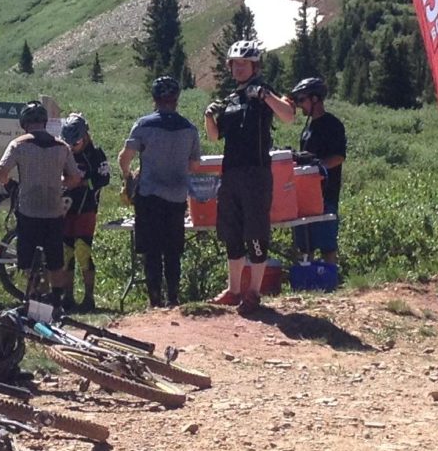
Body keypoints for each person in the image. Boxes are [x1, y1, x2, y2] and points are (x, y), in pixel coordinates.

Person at [206, 39, 296, 314]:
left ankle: (254, 292)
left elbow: (289, 116)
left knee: (256, 230)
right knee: (231, 231)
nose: (239, 68)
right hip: (231, 172)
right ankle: (233, 290)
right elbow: (213, 137)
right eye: (235, 63)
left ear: (254, 66)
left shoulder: (264, 92)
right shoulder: (230, 100)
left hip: (256, 173)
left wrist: (265, 96)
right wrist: (209, 117)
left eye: (244, 63)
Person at [120, 76, 201, 306]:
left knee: (152, 251)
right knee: (173, 250)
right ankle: (174, 298)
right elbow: (195, 165)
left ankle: (155, 300)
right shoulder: (189, 128)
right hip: (176, 197)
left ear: (154, 99)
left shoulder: (144, 125)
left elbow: (125, 157)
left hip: (149, 196)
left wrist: (128, 175)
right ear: (176, 99)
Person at [0, 100, 83, 302]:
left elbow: (1, 172)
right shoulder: (61, 146)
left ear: (24, 123)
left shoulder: (18, 144)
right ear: (44, 122)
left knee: (27, 260)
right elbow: (75, 178)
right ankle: (57, 300)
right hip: (53, 210)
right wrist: (59, 183)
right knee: (55, 260)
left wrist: (11, 186)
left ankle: (33, 297)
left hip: (28, 210)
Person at [289, 76, 347, 263]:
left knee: (327, 243)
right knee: (304, 244)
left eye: (302, 100)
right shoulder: (308, 128)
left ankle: (329, 279)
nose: (300, 105)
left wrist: (318, 166)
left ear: (315, 99)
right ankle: (308, 281)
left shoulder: (333, 125)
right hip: (305, 194)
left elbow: (338, 157)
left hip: (326, 194)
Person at [57, 113, 111, 309]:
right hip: (65, 209)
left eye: (77, 141)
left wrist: (83, 182)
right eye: (69, 142)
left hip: (86, 208)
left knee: (82, 250)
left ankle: (89, 297)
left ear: (86, 136)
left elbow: (104, 178)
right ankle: (68, 296)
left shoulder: (96, 154)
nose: (73, 146)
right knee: (65, 253)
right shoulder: (63, 153)